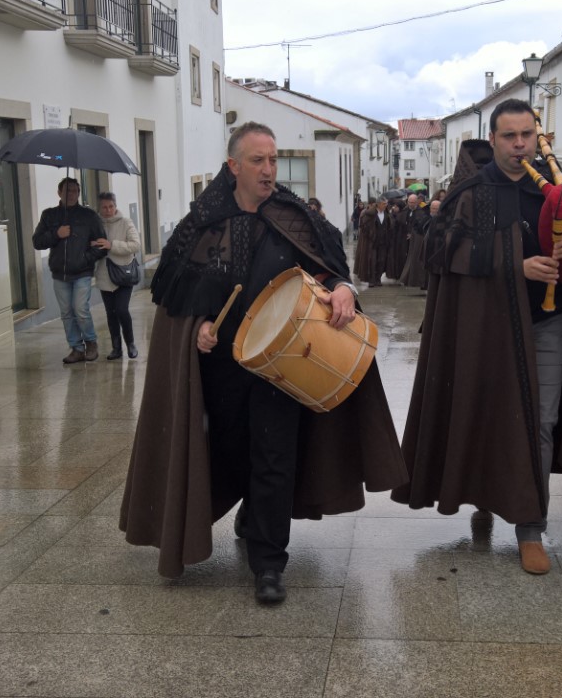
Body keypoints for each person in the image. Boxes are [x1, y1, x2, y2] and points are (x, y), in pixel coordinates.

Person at [119, 122, 406, 604]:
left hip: (284, 365)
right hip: (221, 371)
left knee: (276, 456)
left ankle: (269, 563)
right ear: (233, 166)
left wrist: (342, 289)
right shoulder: (202, 223)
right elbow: (175, 294)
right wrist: (199, 328)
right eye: (258, 161)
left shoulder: (295, 217)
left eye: (273, 160)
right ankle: (250, 510)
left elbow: (334, 267)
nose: (269, 170)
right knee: (230, 451)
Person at [393, 99, 562, 574]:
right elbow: (440, 251)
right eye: (509, 136)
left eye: (527, 134)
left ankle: (531, 527)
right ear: (494, 139)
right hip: (488, 328)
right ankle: (485, 495)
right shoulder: (469, 194)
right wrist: (513, 263)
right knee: (486, 415)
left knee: (540, 422)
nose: (520, 144)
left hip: (550, 323)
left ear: (538, 135)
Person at [32, 177, 108, 364]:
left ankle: (91, 342)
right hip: (59, 273)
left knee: (80, 309)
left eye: (75, 191)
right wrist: (56, 234)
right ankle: (76, 348)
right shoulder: (49, 215)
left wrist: (85, 259)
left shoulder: (89, 216)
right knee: (66, 312)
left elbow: (102, 244)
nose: (72, 194)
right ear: (59, 193)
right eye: (67, 191)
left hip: (82, 272)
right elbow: (37, 241)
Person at [93, 192, 141, 360]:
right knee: (111, 312)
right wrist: (92, 245)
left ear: (115, 206)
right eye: (104, 207)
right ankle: (116, 348)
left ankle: (131, 344)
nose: (108, 210)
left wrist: (111, 245)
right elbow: (90, 246)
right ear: (100, 208)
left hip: (123, 274)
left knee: (121, 309)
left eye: (111, 206)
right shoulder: (96, 224)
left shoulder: (126, 222)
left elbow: (136, 245)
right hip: (105, 274)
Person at [399, 196, 430, 290]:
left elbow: (421, 226)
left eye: (413, 202)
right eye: (409, 202)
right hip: (404, 239)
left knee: (414, 259)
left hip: (416, 239)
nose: (411, 204)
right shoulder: (405, 211)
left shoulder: (422, 212)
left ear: (417, 202)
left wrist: (413, 235)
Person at [354, 197, 387, 286]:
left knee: (381, 260)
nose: (386, 206)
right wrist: (371, 234)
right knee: (372, 261)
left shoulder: (386, 213)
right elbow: (363, 226)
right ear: (379, 204)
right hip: (372, 242)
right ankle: (371, 280)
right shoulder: (369, 214)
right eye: (384, 204)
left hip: (383, 242)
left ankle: (378, 279)